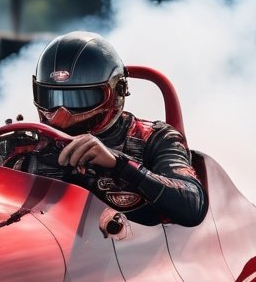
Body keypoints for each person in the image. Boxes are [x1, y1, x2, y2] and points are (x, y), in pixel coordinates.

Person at [28, 31, 207, 227]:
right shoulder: (26, 143)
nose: (61, 112)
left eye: (79, 99)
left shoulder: (157, 138)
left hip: (135, 253)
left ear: (117, 92)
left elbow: (192, 206)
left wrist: (119, 165)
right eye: (52, 97)